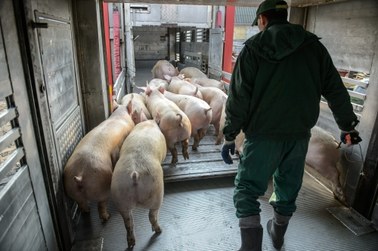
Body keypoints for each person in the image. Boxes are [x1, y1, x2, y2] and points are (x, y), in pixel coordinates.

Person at [220, 0, 362, 250]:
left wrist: (230, 135)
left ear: (263, 19)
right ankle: (277, 232)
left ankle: (251, 246)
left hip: (262, 135)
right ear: (284, 16)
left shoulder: (253, 48)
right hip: (298, 137)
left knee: (247, 189)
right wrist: (347, 125)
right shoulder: (314, 47)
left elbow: (238, 97)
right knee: (287, 187)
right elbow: (336, 90)